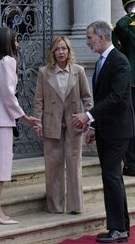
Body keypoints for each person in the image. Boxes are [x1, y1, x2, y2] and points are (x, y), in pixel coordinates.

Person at [72, 21, 134, 243]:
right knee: (112, 177)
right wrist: (94, 127)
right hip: (106, 129)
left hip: (118, 130)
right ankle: (121, 227)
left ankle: (118, 229)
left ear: (101, 37)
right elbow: (103, 97)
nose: (87, 42)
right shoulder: (103, 61)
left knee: (111, 176)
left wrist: (88, 116)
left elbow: (116, 97)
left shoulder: (119, 61)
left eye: (89, 37)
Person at [0, 27, 40, 225]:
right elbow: (8, 95)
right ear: (7, 42)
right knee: (0, 165)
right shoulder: (8, 61)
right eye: (15, 40)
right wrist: (25, 117)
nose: (18, 44)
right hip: (1, 119)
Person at [33, 36, 93, 214]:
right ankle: (55, 206)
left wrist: (89, 119)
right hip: (52, 123)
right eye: (57, 49)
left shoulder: (78, 71)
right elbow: (38, 101)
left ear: (69, 51)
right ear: (53, 52)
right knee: (53, 165)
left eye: (64, 49)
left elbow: (87, 98)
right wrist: (37, 123)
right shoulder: (44, 72)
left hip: (74, 123)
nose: (61, 52)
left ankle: (75, 206)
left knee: (74, 164)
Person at [112, 0, 135, 176]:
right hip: (131, 83)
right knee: (131, 124)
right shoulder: (125, 27)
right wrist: (132, 15)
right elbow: (119, 28)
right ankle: (131, 163)